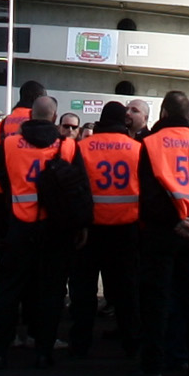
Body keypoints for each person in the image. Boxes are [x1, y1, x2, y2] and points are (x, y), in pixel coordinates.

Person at [0, 96, 87, 368]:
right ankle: (44, 349)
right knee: (52, 291)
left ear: (31, 115)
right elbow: (79, 189)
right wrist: (80, 226)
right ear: (55, 118)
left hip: (19, 225)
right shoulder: (67, 146)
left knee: (8, 290)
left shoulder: (8, 144)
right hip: (55, 227)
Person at [135, 98, 189, 376]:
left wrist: (175, 221)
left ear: (164, 113)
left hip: (162, 231)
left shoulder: (151, 143)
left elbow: (148, 196)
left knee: (156, 300)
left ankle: (153, 366)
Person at [65, 101, 143, 360]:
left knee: (84, 291)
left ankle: (80, 342)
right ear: (124, 121)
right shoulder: (138, 149)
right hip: (127, 229)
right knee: (126, 290)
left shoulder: (83, 147)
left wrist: (79, 225)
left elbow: (75, 190)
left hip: (91, 229)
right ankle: (131, 341)